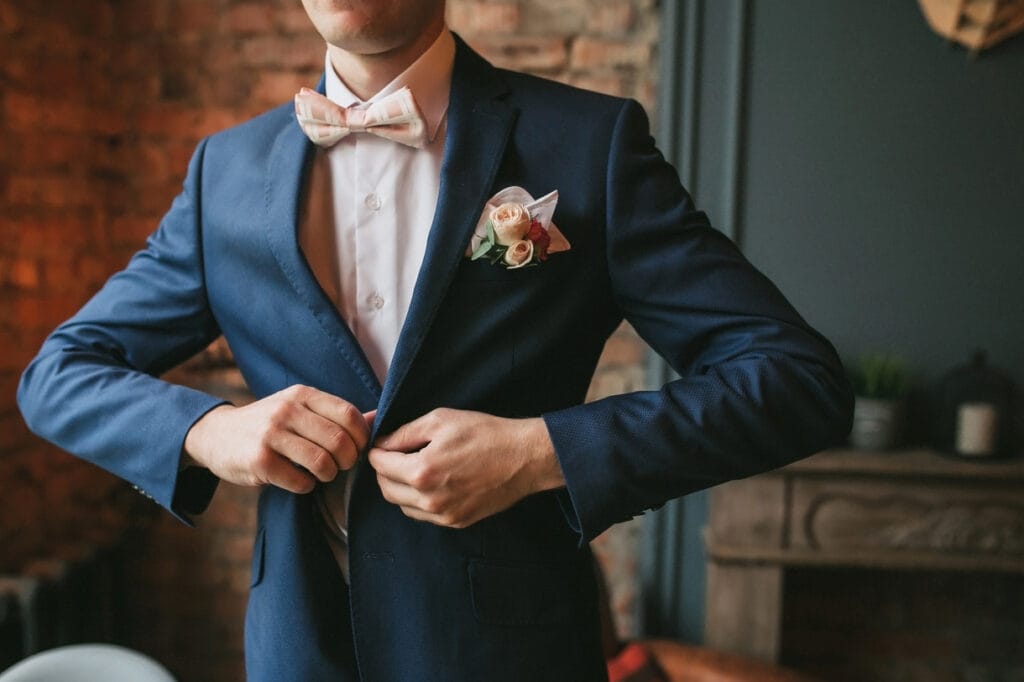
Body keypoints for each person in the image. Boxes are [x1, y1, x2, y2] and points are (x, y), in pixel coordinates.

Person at [17, 1, 853, 680]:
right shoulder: (223, 175)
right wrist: (212, 432)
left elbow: (796, 381)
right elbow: (58, 373)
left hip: (511, 654)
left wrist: (542, 451)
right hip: (299, 652)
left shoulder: (589, 145)